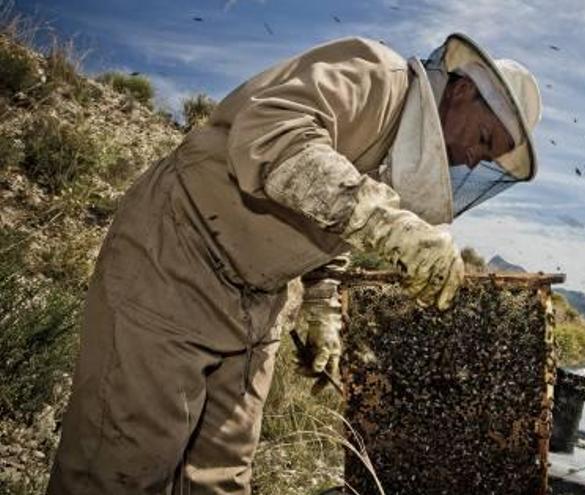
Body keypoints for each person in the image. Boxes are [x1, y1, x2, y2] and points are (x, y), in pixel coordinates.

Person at [47, 32, 541, 494]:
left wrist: (322, 304)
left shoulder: (395, 150)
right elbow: (270, 134)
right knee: (121, 464)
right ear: (463, 94)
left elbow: (332, 225)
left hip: (255, 304)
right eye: (483, 140)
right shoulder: (373, 75)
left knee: (220, 475)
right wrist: (384, 222)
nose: (473, 162)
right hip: (177, 254)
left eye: (487, 158)